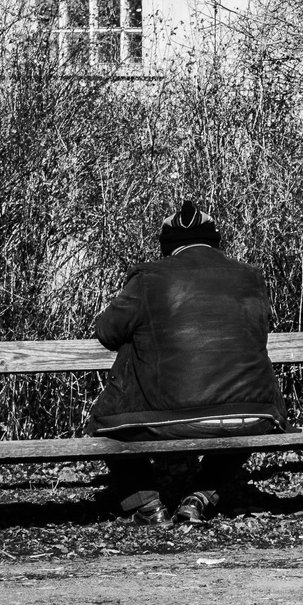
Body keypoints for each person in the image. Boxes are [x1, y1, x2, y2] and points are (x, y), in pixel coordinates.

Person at [88, 201, 287, 524]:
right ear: (214, 240)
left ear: (168, 246)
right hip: (253, 413)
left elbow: (108, 332)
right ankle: (201, 498)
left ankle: (147, 504)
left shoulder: (148, 277)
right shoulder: (251, 277)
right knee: (246, 421)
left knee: (104, 426)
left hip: (163, 416)